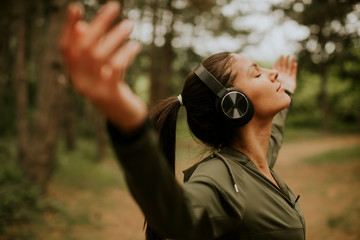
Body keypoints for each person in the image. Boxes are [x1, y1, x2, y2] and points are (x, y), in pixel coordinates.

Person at [60, 2, 305, 240]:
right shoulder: (222, 179)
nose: (272, 73)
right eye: (257, 73)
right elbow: (179, 216)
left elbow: (270, 139)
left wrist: (287, 91)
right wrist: (130, 126)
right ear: (234, 103)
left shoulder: (257, 163)